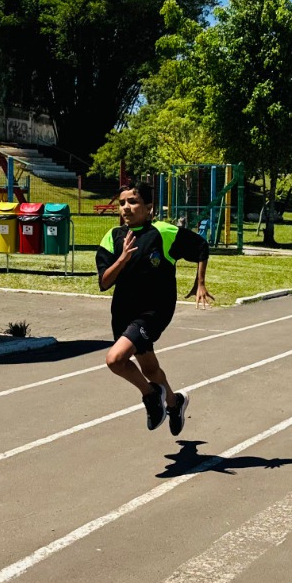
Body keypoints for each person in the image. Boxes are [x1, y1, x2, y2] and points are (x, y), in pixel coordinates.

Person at [96, 182, 214, 435]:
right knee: (149, 369)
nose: (126, 207)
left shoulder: (163, 232)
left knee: (115, 360)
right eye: (122, 202)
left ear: (149, 207)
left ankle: (150, 396)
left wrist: (200, 283)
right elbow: (104, 282)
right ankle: (174, 402)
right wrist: (122, 258)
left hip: (154, 311)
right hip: (123, 313)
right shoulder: (113, 237)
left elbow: (201, 247)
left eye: (133, 202)